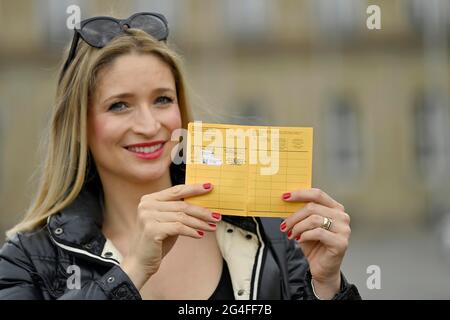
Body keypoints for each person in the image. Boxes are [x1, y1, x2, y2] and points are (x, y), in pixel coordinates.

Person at [0, 12, 361, 300]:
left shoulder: (265, 230)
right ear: (80, 125)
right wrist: (132, 272)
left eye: (162, 99)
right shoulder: (29, 258)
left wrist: (326, 287)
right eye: (119, 105)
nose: (149, 124)